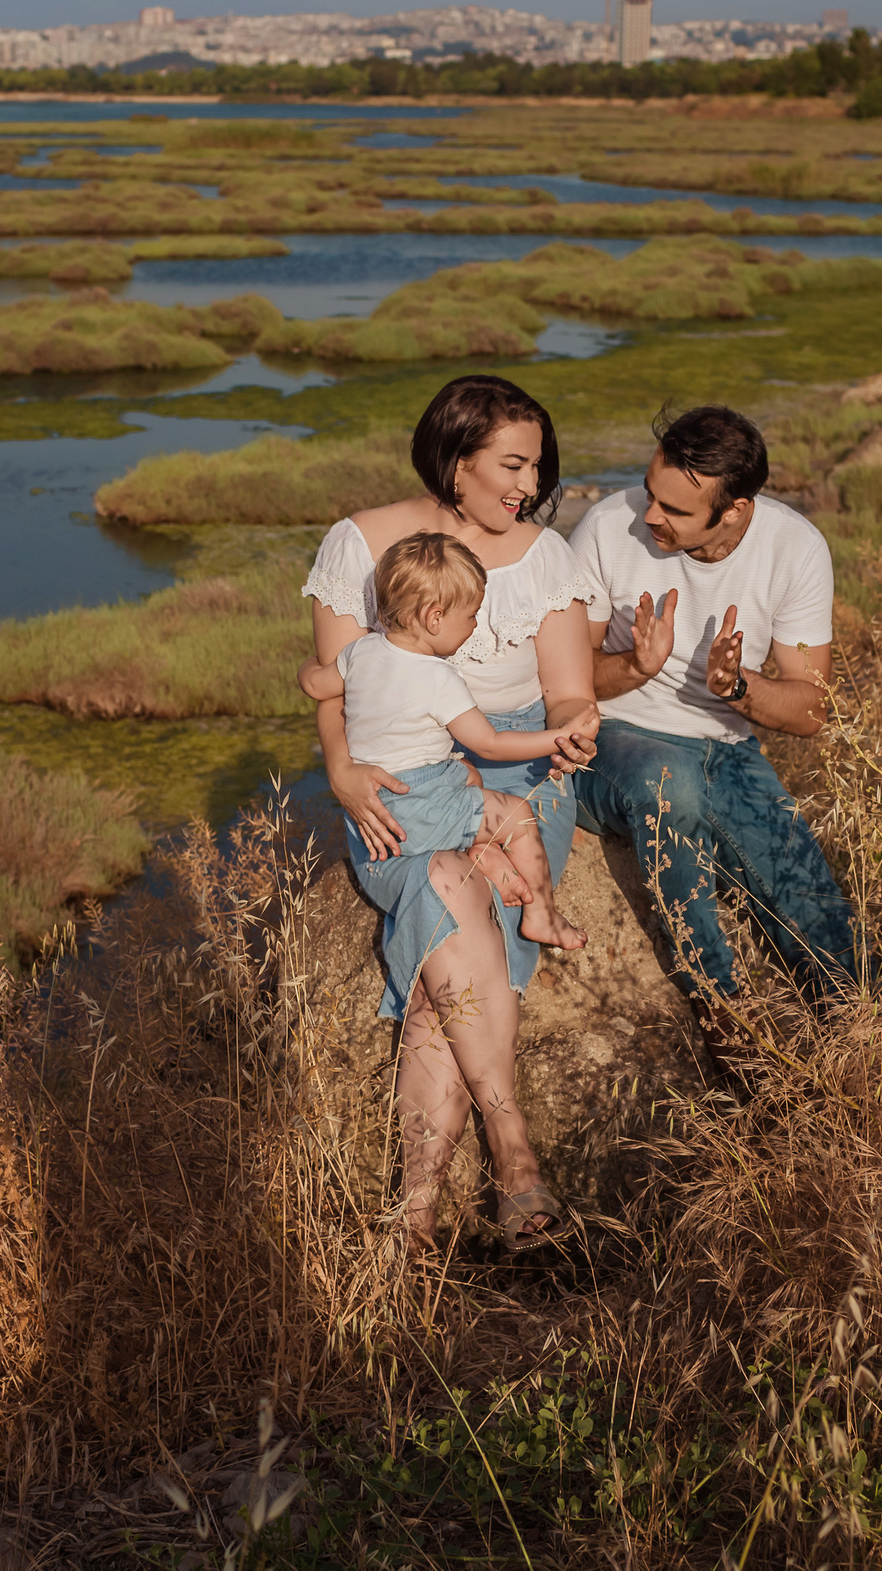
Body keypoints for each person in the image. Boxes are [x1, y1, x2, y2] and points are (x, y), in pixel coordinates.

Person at [301, 374, 604, 1255]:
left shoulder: (544, 555)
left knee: (447, 963)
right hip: (396, 782)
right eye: (511, 465)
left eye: (536, 469)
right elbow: (335, 686)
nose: (529, 487)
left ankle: (422, 1208)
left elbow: (569, 690)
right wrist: (342, 773)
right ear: (455, 458)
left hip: (515, 756)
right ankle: (514, 1163)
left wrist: (572, 733)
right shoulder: (358, 543)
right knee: (442, 892)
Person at [568, 404, 861, 1008]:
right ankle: (721, 1009)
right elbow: (561, 680)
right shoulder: (603, 527)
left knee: (825, 935)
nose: (649, 516)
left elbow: (811, 709)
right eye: (651, 492)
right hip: (612, 742)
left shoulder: (796, 549)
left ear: (735, 511)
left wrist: (737, 689)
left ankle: (856, 1053)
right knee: (668, 785)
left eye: (674, 509)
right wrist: (635, 666)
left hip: (725, 748)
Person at [297, 531, 586, 954]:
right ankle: (541, 915)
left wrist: (306, 666)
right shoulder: (440, 678)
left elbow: (316, 684)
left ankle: (483, 858)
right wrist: (555, 738)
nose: (474, 626)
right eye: (470, 615)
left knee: (467, 778)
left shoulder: (359, 653)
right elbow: (489, 744)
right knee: (516, 816)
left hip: (380, 807)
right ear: (435, 618)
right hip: (422, 804)